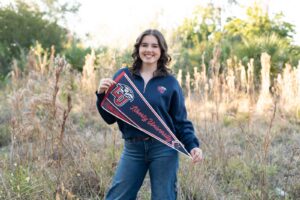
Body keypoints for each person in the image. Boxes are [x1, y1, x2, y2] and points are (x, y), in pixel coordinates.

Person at [96, 29, 203, 200]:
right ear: (138, 48)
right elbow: (109, 118)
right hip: (133, 149)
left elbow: (180, 121)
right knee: (117, 196)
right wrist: (101, 94)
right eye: (144, 45)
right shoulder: (123, 77)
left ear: (161, 51)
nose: (149, 50)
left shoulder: (170, 82)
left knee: (164, 197)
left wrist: (193, 145)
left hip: (164, 149)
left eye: (155, 46)